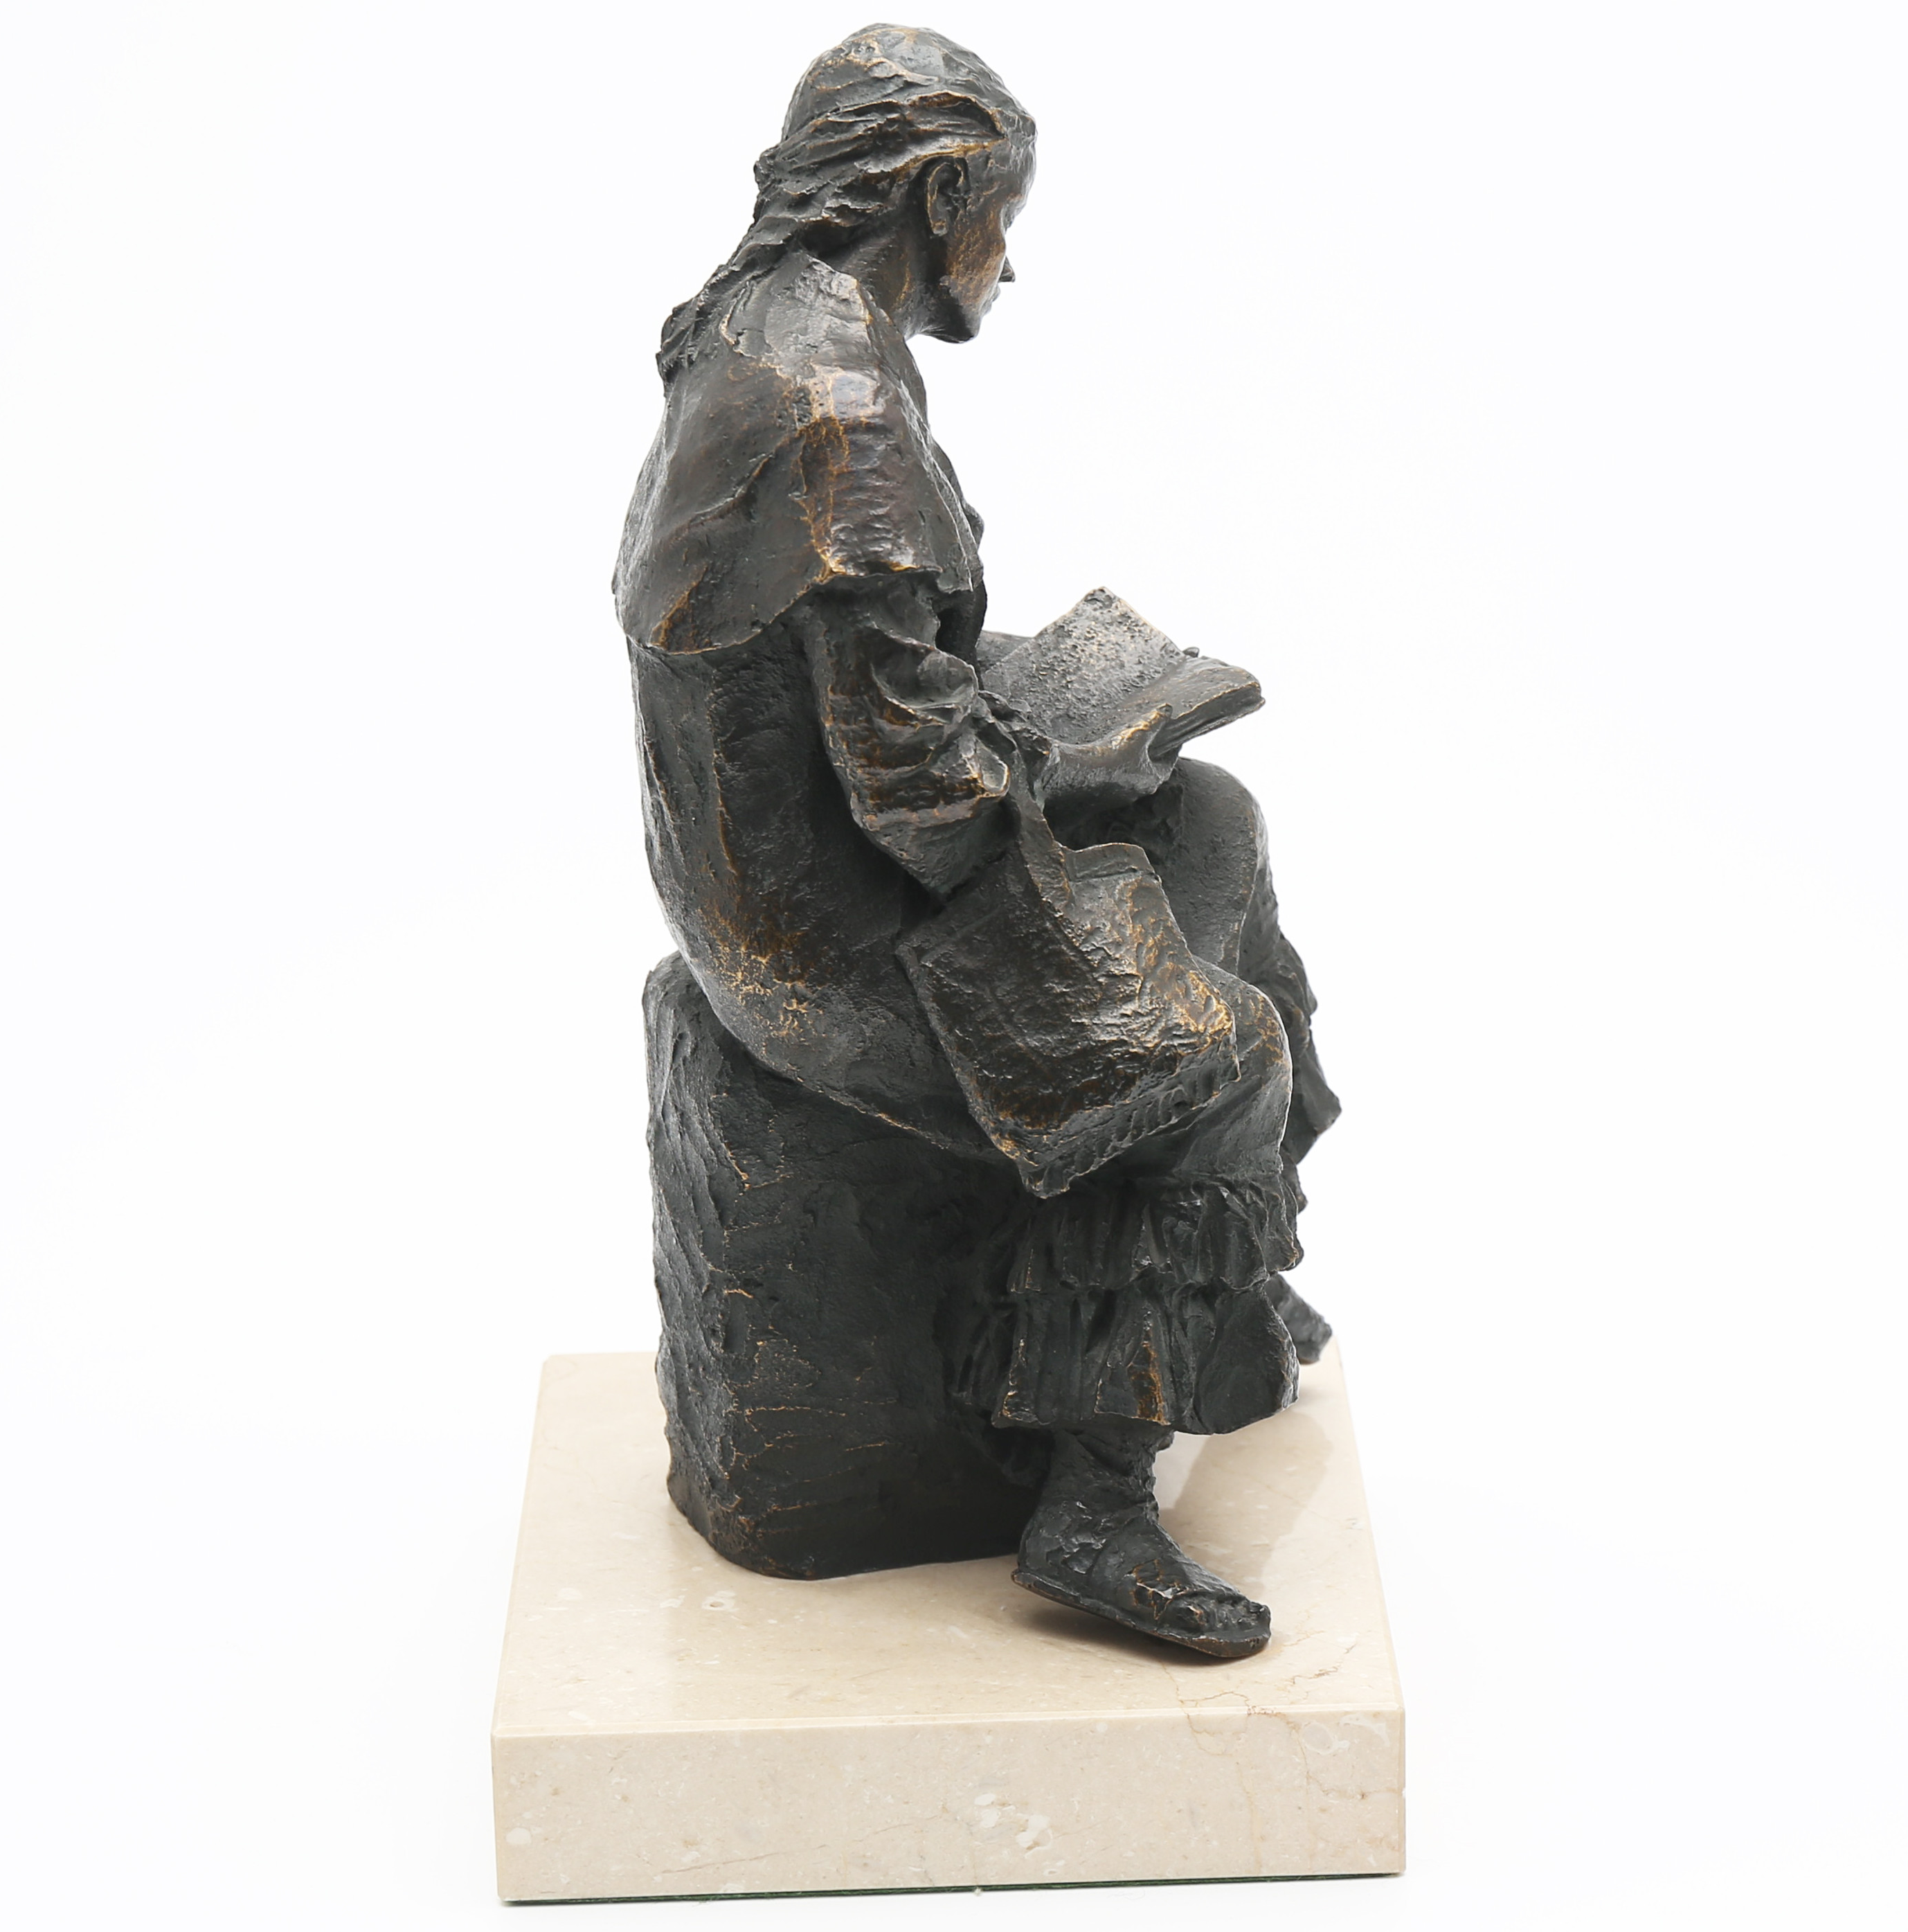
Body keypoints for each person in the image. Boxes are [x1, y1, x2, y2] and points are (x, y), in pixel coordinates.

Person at [618, 24, 1339, 1658]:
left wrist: (1076, 737)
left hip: (796, 852)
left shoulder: (758, 325)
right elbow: (917, 798)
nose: (1008, 261)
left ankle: (1209, 1283)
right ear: (940, 193)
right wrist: (1084, 760)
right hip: (828, 929)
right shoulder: (837, 405)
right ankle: (1094, 1500)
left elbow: (849, 673)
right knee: (1212, 1056)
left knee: (1219, 823)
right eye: (1001, 216)